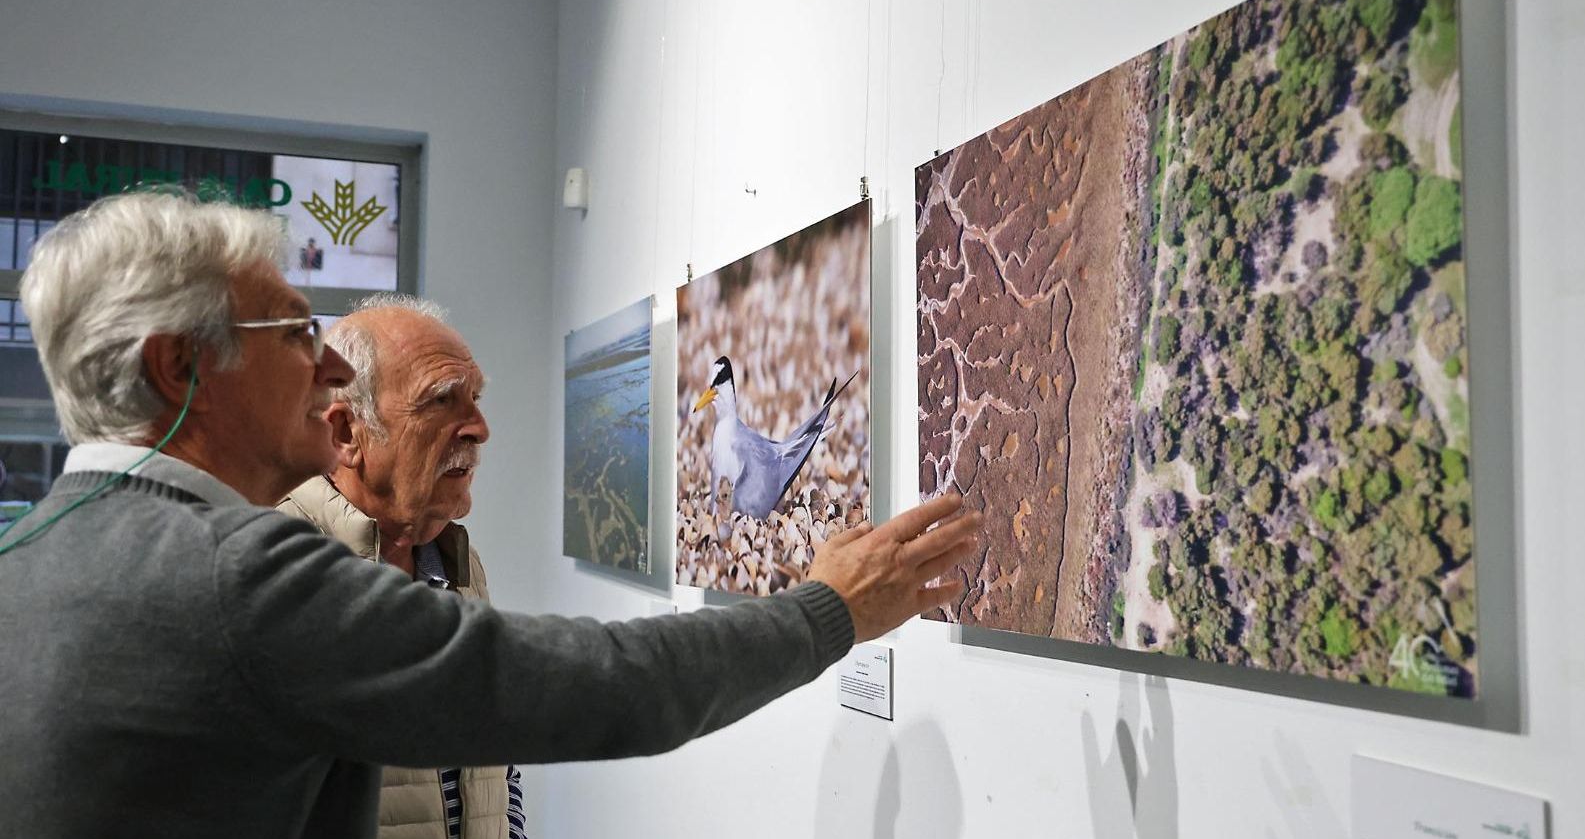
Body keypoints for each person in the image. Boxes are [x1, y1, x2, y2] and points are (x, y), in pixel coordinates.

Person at [0, 190, 978, 839]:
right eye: (295, 334)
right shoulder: (240, 575)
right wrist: (829, 607)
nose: (327, 370)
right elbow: (601, 687)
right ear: (181, 367)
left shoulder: (29, 555)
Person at [276, 294, 520, 839]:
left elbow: (494, 759)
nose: (478, 428)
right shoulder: (277, 565)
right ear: (346, 435)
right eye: (440, 401)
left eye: (475, 399)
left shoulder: (457, 559)